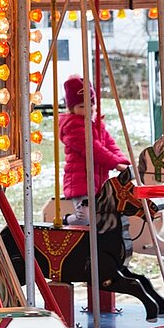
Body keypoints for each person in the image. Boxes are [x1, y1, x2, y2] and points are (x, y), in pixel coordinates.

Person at [59, 75, 129, 225]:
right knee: (84, 218)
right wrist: (116, 164)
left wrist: (123, 162)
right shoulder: (72, 127)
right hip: (80, 182)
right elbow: (94, 150)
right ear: (71, 109)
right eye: (81, 106)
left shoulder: (96, 124)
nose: (88, 109)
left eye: (90, 104)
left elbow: (110, 144)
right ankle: (65, 221)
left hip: (98, 181)